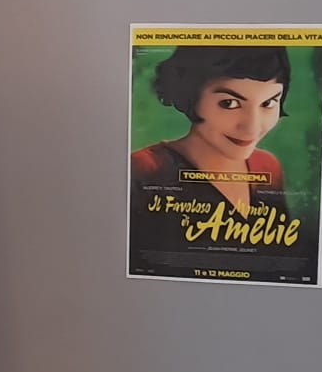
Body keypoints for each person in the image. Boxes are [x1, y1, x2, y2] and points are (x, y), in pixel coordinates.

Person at [129, 44, 307, 275]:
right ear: (190, 95)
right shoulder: (145, 169)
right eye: (229, 103)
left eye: (268, 103)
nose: (252, 128)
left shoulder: (267, 167)